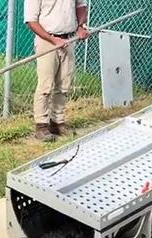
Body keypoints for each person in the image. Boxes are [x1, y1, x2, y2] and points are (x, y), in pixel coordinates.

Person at [24, 0, 90, 142]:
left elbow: (81, 5)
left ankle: (57, 122)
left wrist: (81, 26)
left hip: (69, 39)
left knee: (64, 85)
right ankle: (41, 126)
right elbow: (31, 21)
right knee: (45, 86)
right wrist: (53, 40)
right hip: (47, 41)